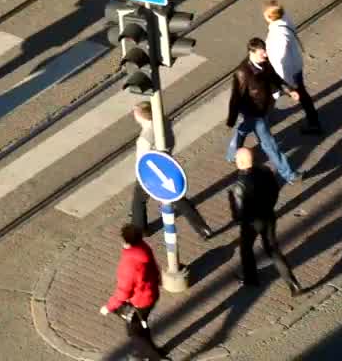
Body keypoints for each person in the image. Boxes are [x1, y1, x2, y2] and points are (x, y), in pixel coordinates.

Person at [225, 37, 303, 184]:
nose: (266, 55)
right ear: (252, 52)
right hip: (255, 113)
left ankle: (231, 154)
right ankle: (289, 174)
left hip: (264, 108)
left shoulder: (264, 63)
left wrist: (290, 91)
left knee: (243, 129)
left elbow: (276, 79)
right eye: (262, 53)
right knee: (270, 145)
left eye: (265, 52)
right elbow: (235, 98)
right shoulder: (242, 73)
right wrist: (231, 118)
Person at [129, 101, 211, 240]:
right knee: (178, 198)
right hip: (167, 166)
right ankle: (202, 228)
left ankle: (140, 229)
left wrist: (141, 175)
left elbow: (143, 161)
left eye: (135, 113)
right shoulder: (164, 122)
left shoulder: (145, 137)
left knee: (138, 200)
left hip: (151, 173)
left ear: (141, 117)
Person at [228, 147, 305, 295]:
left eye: (237, 159)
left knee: (246, 248)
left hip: (251, 222)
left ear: (241, 162)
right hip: (268, 216)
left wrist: (240, 219)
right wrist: (269, 206)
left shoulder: (238, 186)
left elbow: (238, 213)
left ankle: (251, 279)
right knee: (273, 250)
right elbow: (275, 191)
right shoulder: (265, 171)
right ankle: (293, 284)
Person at [99, 224, 167, 361]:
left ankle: (154, 357)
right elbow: (154, 267)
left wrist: (109, 307)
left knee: (134, 333)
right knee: (142, 325)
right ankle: (146, 354)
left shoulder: (129, 263)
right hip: (151, 294)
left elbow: (124, 291)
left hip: (139, 301)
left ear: (125, 241)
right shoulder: (144, 248)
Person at [264, 1, 322, 135]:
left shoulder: (278, 34)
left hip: (286, 72)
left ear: (269, 16)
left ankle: (314, 124)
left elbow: (280, 60)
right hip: (295, 65)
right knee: (301, 94)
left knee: (273, 94)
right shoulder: (284, 20)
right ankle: (313, 122)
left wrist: (284, 83)